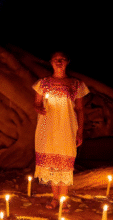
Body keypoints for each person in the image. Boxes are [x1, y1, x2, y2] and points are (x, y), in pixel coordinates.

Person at [32, 52, 88, 209]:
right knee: (51, 164)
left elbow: (80, 109)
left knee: (65, 163)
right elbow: (36, 103)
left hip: (67, 128)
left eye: (62, 59)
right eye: (56, 59)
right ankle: (55, 198)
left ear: (67, 62)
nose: (59, 62)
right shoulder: (42, 84)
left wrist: (80, 131)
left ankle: (63, 199)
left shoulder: (76, 84)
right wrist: (39, 107)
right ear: (50, 62)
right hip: (47, 128)